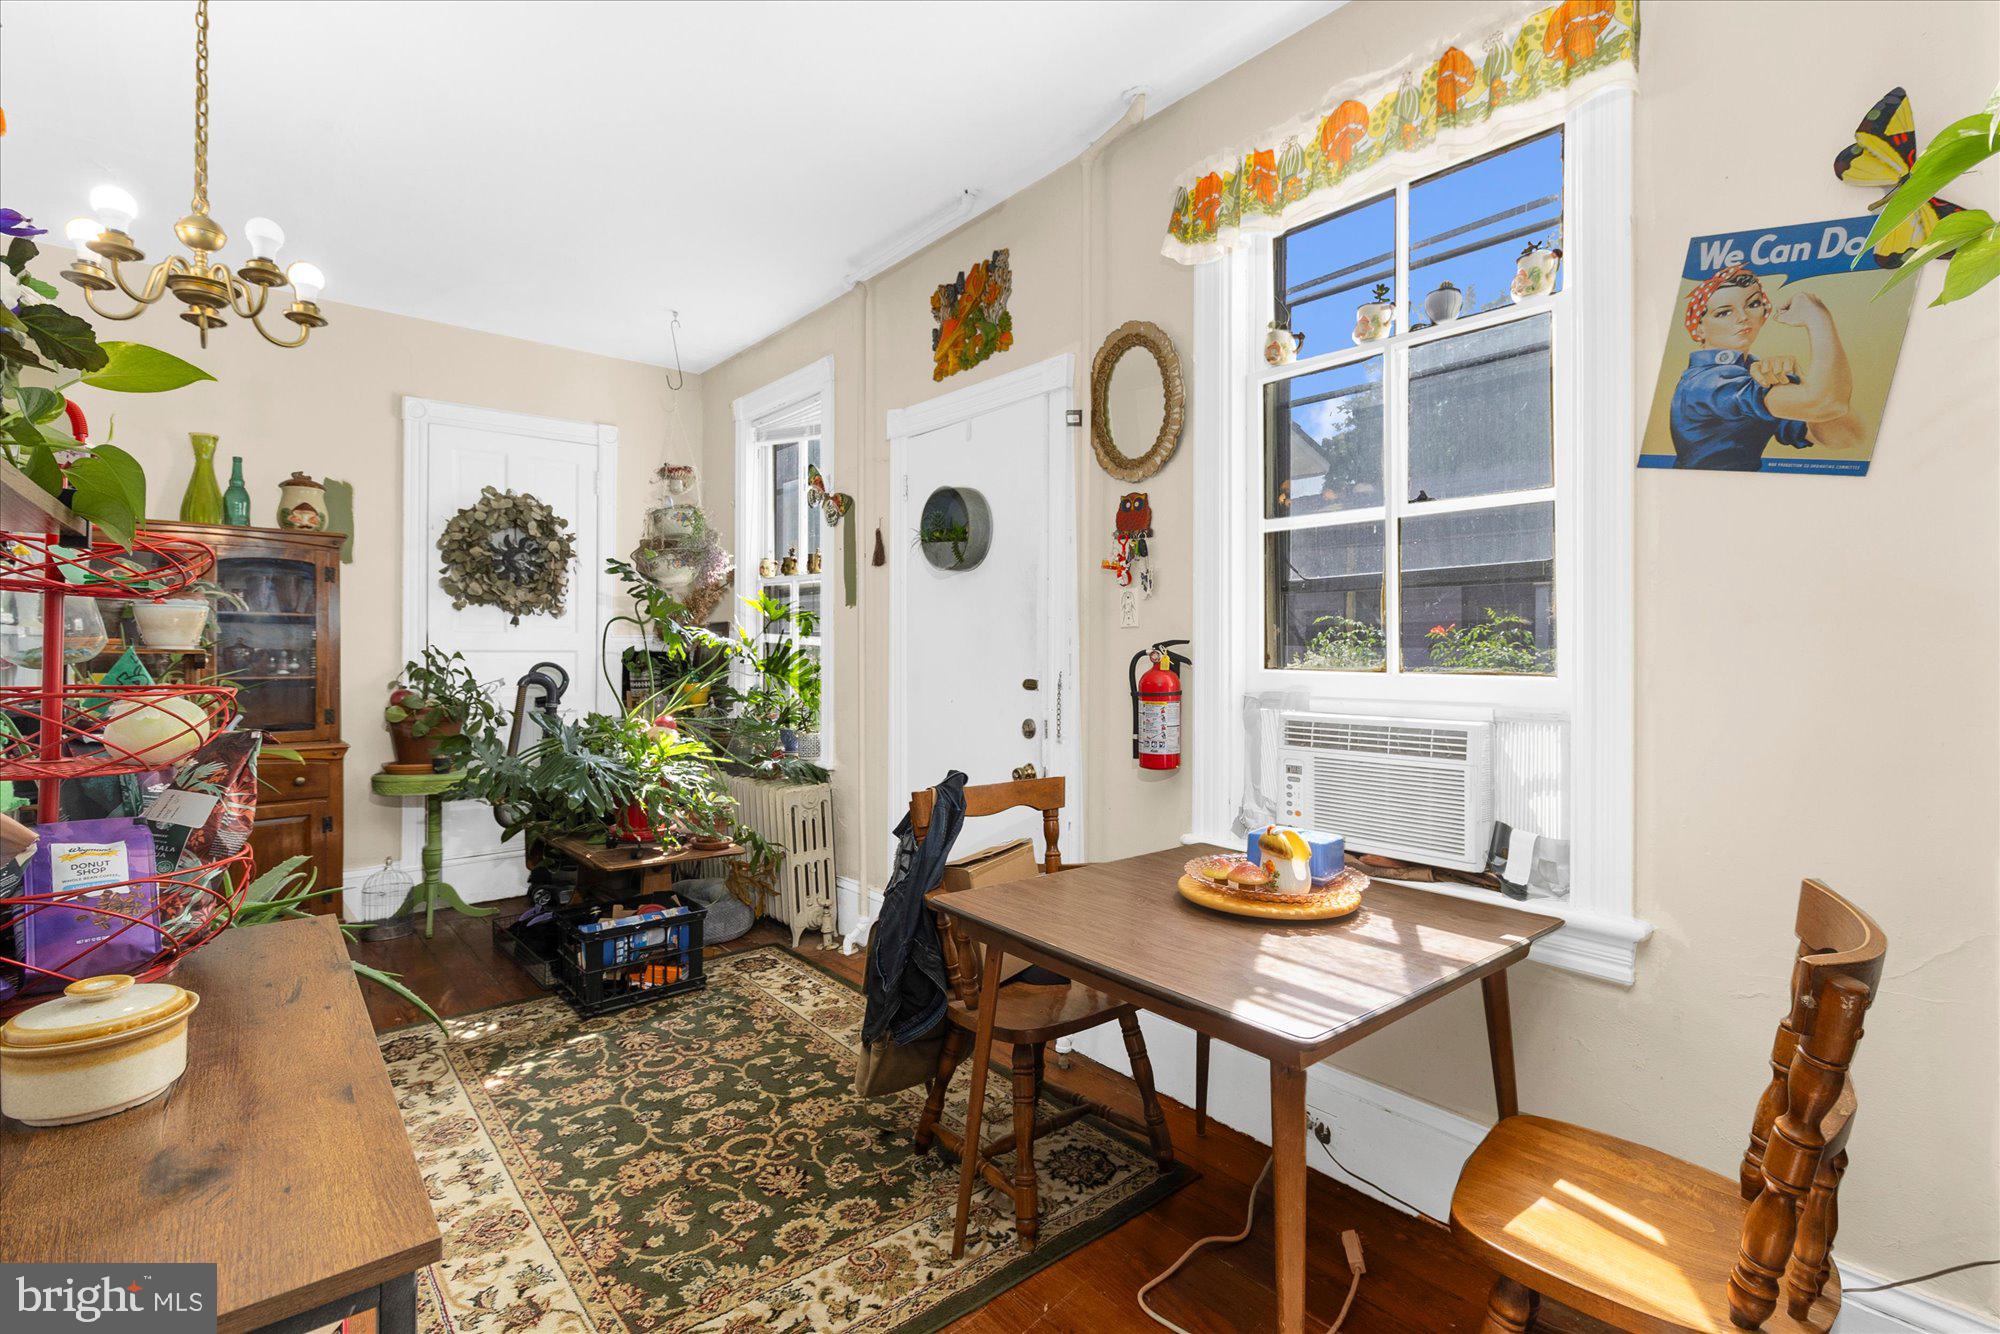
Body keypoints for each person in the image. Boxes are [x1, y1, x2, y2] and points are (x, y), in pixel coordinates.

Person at [1667, 265, 1863, 470]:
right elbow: (1827, 403)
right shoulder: (1707, 382)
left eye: (1753, 304)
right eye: (1724, 313)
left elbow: (1844, 437)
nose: (1743, 317)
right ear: (1699, 328)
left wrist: (1800, 381)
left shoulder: (1751, 373)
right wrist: (1818, 318)